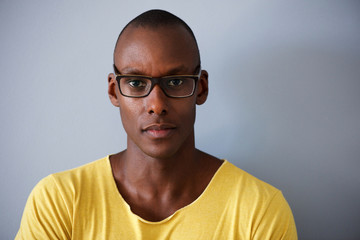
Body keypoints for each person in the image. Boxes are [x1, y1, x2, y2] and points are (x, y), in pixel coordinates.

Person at [16, 9, 297, 239]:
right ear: (114, 92)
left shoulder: (259, 209)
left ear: (200, 88)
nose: (156, 105)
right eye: (137, 83)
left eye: (175, 82)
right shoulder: (59, 202)